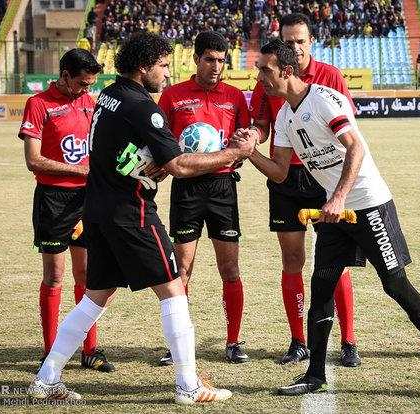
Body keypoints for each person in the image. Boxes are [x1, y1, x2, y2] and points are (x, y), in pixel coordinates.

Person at [27, 32, 256, 404]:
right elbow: (180, 165)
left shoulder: (108, 97)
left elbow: (126, 157)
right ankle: (188, 386)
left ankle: (47, 378)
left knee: (94, 298)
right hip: (131, 213)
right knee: (174, 289)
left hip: (98, 210)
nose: (167, 73)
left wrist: (149, 168)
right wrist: (233, 151)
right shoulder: (141, 106)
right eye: (163, 65)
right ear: (143, 67)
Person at [245, 38, 420, 400]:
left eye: (265, 70)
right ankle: (315, 373)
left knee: (395, 284)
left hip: (368, 203)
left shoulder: (322, 99)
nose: (260, 78)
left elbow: (356, 147)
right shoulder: (284, 114)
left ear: (287, 71)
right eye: (258, 71)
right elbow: (281, 173)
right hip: (337, 212)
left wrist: (337, 196)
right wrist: (249, 152)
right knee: (322, 286)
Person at [250, 13, 360, 367]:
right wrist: (250, 139)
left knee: (337, 263)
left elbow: (349, 131)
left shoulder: (330, 77)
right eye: (289, 41)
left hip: (324, 178)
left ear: (311, 42)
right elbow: (262, 126)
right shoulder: (268, 76)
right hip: (285, 180)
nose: (295, 47)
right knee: (292, 260)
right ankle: (298, 340)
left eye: (301, 41)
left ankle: (349, 340)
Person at [157, 31, 252, 365]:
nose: (216, 66)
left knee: (230, 267)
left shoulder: (235, 96)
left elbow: (247, 140)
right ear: (196, 59)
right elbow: (160, 141)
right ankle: (178, 345)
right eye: (210, 59)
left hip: (223, 188)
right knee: (182, 269)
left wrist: (243, 145)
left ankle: (234, 341)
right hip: (187, 189)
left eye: (221, 60)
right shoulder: (172, 96)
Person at [18, 48, 114, 373]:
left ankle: (90, 349)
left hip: (87, 201)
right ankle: (50, 352)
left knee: (87, 276)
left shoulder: (91, 102)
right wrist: (81, 172)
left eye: (90, 85)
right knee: (55, 275)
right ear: (64, 76)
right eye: (81, 84)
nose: (86, 90)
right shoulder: (38, 104)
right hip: (53, 200)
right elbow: (34, 160)